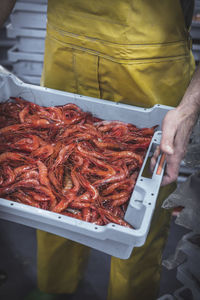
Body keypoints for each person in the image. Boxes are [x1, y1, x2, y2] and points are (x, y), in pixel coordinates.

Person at [0, 1, 197, 300]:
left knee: (143, 208)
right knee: (49, 207)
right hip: (65, 50)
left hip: (153, 62)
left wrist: (189, 109)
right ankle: (55, 289)